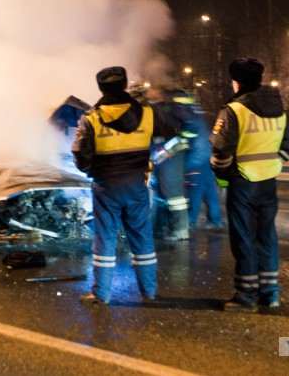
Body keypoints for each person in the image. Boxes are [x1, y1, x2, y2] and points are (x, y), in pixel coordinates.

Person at [71, 66, 178, 305]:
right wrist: (154, 160)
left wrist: (92, 171)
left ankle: (102, 294)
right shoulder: (148, 113)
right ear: (124, 84)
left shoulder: (92, 118)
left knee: (105, 239)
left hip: (106, 187)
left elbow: (80, 157)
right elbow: (173, 137)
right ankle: (149, 292)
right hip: (137, 184)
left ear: (101, 88)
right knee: (142, 239)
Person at [210, 58, 289, 312]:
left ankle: (246, 296)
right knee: (266, 235)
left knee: (244, 239)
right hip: (268, 183)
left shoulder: (234, 110)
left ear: (237, 82)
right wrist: (274, 166)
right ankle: (270, 294)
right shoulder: (278, 109)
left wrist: (224, 175)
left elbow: (220, 151)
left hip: (243, 182)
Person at [143, 85, 195, 241]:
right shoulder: (161, 108)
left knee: (174, 194)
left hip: (172, 152)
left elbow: (176, 134)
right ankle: (162, 227)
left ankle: (180, 230)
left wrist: (162, 151)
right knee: (162, 191)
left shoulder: (166, 108)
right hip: (167, 152)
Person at [183, 99, 223, 231]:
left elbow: (187, 143)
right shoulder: (204, 117)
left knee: (195, 193)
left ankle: (190, 223)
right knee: (210, 192)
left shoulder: (190, 121)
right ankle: (215, 221)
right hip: (207, 160)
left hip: (196, 162)